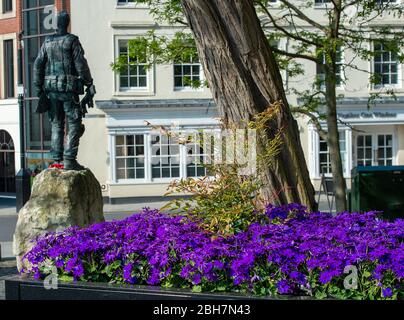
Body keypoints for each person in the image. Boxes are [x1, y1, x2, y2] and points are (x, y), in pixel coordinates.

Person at [33, 10, 95, 170]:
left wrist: (38, 87)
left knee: (57, 124)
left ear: (56, 23)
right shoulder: (71, 40)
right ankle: (69, 158)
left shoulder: (47, 42)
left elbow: (38, 64)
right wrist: (89, 82)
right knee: (74, 122)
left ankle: (57, 159)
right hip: (68, 89)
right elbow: (81, 63)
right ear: (67, 23)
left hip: (51, 88)